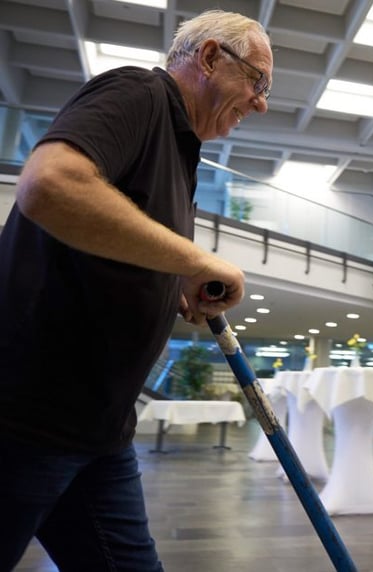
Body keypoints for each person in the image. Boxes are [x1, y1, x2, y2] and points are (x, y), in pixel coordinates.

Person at [0, 10, 273, 571]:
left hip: (100, 433)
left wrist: (172, 283)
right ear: (210, 57)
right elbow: (49, 185)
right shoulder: (139, 93)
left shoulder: (181, 152)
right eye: (257, 81)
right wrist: (195, 259)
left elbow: (111, 247)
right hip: (23, 421)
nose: (261, 103)